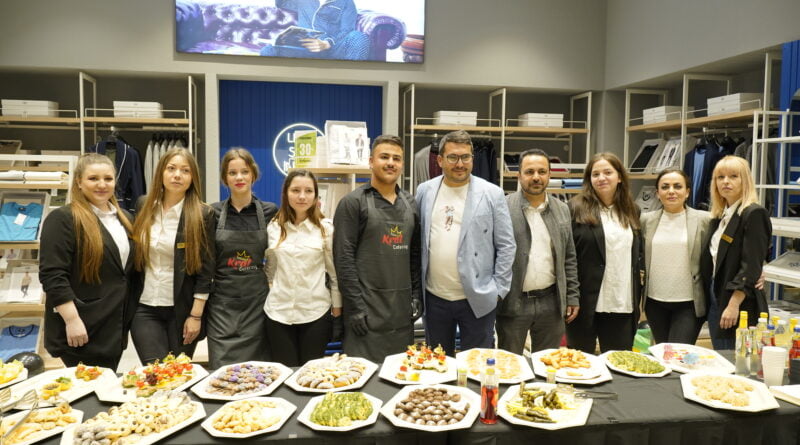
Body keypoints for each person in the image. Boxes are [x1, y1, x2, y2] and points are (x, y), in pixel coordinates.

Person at [416, 130, 515, 356]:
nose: (459, 164)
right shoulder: (425, 191)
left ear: (472, 158)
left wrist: (498, 290)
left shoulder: (492, 193)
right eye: (452, 157)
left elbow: (507, 245)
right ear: (440, 160)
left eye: (465, 157)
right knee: (438, 363)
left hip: (478, 297)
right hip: (434, 298)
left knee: (476, 364)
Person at [40, 153, 141, 370]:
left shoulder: (126, 218)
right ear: (79, 182)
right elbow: (53, 275)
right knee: (86, 387)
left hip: (114, 327)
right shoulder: (63, 219)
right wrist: (72, 320)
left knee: (106, 385)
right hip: (82, 327)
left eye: (108, 178)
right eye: (93, 178)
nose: (102, 185)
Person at [333, 135, 421, 362]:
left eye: (396, 158)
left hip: (401, 315)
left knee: (400, 375)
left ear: (402, 164)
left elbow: (415, 256)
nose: (391, 163)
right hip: (366, 314)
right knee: (365, 378)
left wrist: (416, 295)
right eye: (384, 157)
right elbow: (343, 260)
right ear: (371, 161)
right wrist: (355, 308)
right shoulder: (353, 203)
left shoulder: (410, 203)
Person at [130, 148, 215, 365]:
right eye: (171, 169)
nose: (177, 175)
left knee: (178, 374)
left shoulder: (202, 214)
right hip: (145, 306)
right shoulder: (143, 205)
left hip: (183, 311)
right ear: (161, 172)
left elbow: (206, 271)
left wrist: (195, 316)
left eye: (185, 171)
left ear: (192, 177)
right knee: (155, 371)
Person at [497, 149, 580, 354]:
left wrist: (572, 296)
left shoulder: (562, 209)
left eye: (542, 172)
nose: (536, 177)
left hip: (551, 302)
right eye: (529, 172)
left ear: (549, 175)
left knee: (547, 363)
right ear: (519, 175)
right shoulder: (503, 207)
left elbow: (569, 257)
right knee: (511, 363)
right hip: (513, 302)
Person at [207, 148, 277, 369]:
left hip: (257, 305)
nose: (239, 177)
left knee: (258, 373)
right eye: (232, 173)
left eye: (244, 172)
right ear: (224, 178)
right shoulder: (212, 213)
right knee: (221, 372)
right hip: (222, 307)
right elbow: (205, 262)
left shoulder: (269, 211)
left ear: (253, 175)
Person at [567, 152, 644, 353]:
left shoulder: (633, 210)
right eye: (595, 174)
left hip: (621, 301)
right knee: (580, 362)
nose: (601, 178)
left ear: (619, 177)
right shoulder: (574, 208)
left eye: (608, 172)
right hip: (585, 302)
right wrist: (570, 296)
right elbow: (569, 257)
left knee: (618, 362)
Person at [265, 169, 341, 366]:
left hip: (315, 313)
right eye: (295, 190)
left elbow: (334, 273)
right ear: (286, 193)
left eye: (308, 191)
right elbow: (269, 267)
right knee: (284, 372)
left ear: (316, 196)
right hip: (278, 313)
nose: (302, 196)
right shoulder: (274, 227)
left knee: (309, 372)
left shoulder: (326, 228)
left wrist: (337, 309)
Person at [701, 155, 771, 350]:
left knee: (736, 359)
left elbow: (751, 265)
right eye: (720, 177)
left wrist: (733, 304)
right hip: (716, 295)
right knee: (721, 354)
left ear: (745, 180)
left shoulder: (753, 213)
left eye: (733, 176)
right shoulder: (719, 217)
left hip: (739, 302)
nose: (726, 182)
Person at [640, 169, 712, 345]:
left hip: (688, 303)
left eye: (677, 186)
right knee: (662, 351)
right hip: (654, 302)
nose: (671, 191)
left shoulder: (705, 220)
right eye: (665, 187)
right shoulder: (645, 220)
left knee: (678, 353)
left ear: (687, 192)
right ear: (657, 193)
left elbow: (723, 250)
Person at [259, 0, 370, 61]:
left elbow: (347, 30)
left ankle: (350, 84)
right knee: (268, 50)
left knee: (359, 37)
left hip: (332, 49)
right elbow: (281, 3)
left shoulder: (346, 2)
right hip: (304, 49)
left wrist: (327, 43)